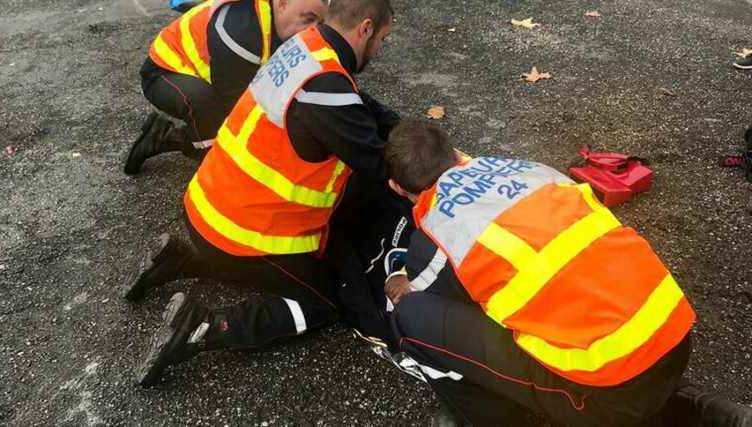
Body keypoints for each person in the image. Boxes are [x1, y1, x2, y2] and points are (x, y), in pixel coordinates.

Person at [381, 120, 752, 426]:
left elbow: (418, 297)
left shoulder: (436, 236)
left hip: (612, 386)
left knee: (412, 318)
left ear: (397, 187)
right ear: (455, 153)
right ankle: (707, 412)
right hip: (674, 334)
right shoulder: (530, 171)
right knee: (621, 361)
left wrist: (397, 280)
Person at [126, 0, 398, 387]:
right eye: (382, 40)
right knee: (320, 302)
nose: (380, 50)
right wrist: (433, 163)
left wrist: (400, 126)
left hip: (206, 208)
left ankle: (178, 260)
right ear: (366, 29)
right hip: (243, 231)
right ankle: (204, 327)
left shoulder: (305, 46)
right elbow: (379, 165)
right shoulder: (326, 91)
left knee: (273, 268)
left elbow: (359, 103)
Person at [124, 0, 329, 174]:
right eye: (308, 19)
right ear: (283, 3)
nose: (313, 30)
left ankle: (164, 137)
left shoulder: (277, 19)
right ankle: (189, 155)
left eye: (320, 23)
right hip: (164, 72)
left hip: (207, 75)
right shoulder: (241, 31)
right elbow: (238, 108)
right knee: (215, 120)